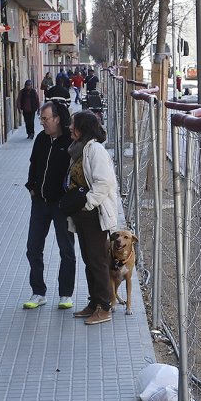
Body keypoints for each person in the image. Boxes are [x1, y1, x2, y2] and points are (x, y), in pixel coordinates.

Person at [63, 110, 119, 325]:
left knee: (97, 261)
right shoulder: (79, 149)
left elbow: (103, 183)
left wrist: (87, 204)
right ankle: (94, 301)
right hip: (82, 214)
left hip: (93, 214)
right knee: (88, 260)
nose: (69, 128)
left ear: (82, 128)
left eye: (73, 125)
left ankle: (105, 307)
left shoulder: (94, 150)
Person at [23, 100, 76, 310]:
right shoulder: (41, 139)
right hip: (40, 203)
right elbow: (33, 164)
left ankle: (65, 294)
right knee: (33, 248)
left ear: (57, 118)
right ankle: (38, 292)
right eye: (41, 119)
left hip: (61, 205)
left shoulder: (70, 141)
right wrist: (31, 186)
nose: (42, 123)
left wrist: (68, 197)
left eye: (45, 119)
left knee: (66, 249)